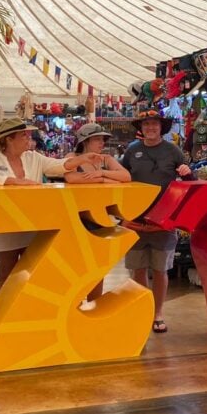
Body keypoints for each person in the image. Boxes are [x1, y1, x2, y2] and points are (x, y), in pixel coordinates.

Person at [0, 118, 103, 289]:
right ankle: (7, 314)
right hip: (6, 226)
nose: (29, 139)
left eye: (28, 135)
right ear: (9, 139)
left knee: (32, 276)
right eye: (24, 135)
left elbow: (58, 165)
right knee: (6, 275)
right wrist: (13, 181)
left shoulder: (33, 157)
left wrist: (82, 159)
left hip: (33, 225)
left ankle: (29, 313)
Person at [120, 110, 192, 334]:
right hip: (135, 218)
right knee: (138, 268)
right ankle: (143, 309)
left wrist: (188, 173)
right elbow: (121, 180)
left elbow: (190, 182)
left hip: (164, 221)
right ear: (140, 128)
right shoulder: (132, 151)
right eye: (146, 124)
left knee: (161, 270)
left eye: (154, 124)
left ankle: (158, 313)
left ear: (162, 127)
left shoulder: (173, 151)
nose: (150, 128)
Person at [65, 123, 131, 302]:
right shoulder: (73, 157)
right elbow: (71, 178)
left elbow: (126, 177)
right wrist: (108, 180)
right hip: (77, 218)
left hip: (100, 219)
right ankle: (75, 304)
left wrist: (101, 175)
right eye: (97, 139)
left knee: (97, 266)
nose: (101, 143)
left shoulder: (105, 160)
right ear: (85, 141)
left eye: (102, 139)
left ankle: (94, 304)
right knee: (77, 266)